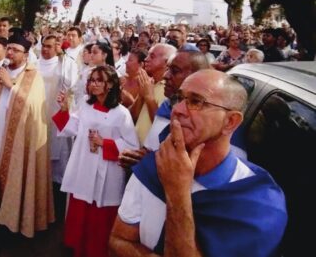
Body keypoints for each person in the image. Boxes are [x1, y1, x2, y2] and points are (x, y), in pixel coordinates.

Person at [109, 70, 288, 257]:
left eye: (196, 102)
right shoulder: (155, 165)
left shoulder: (258, 202)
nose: (177, 109)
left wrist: (177, 193)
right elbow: (117, 242)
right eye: (179, 99)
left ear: (230, 122)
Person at [0, 34, 54, 237]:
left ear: (26, 54)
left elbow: (32, 107)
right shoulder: (0, 71)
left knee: (17, 173)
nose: (11, 53)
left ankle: (15, 220)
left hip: (20, 140)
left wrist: (9, 86)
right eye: (10, 49)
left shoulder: (33, 75)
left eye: (16, 50)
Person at [53, 65, 139, 257]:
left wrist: (105, 143)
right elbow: (73, 127)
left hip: (107, 170)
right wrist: (64, 110)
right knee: (81, 205)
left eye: (99, 80)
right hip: (84, 164)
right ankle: (78, 247)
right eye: (92, 80)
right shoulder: (85, 104)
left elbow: (132, 146)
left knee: (100, 214)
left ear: (111, 85)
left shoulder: (121, 113)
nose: (94, 84)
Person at [37, 34, 78, 217]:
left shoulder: (66, 64)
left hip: (56, 112)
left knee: (58, 153)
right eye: (43, 46)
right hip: (37, 113)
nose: (45, 50)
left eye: (49, 46)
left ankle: (57, 199)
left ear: (57, 47)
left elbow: (72, 86)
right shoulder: (34, 63)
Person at [132, 44, 176, 144]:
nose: (146, 59)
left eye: (152, 56)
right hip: (135, 148)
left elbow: (163, 128)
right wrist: (142, 95)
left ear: (167, 62)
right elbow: (132, 117)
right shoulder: (149, 83)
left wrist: (149, 98)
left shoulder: (171, 89)